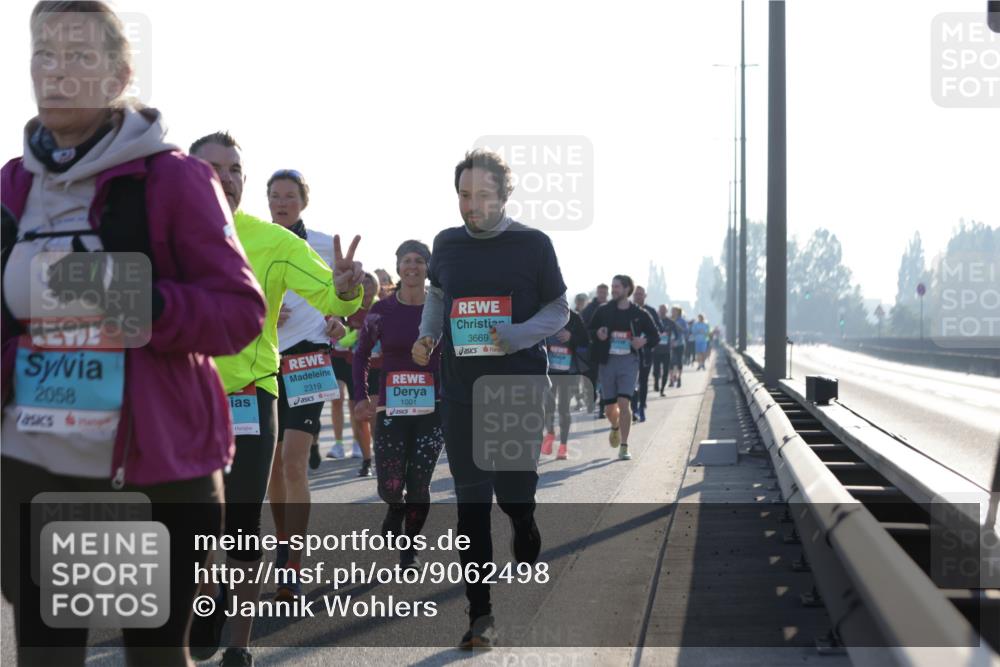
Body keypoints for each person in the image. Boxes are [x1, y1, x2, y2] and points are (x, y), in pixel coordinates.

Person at [1, 3, 267, 665]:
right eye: (44, 54)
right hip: (34, 466)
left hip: (156, 469)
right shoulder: (10, 186)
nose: (57, 73)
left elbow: (238, 312)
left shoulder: (175, 178)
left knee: (153, 654)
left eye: (80, 57)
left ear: (120, 73)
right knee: (46, 653)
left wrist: (125, 298)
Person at [188, 132, 364, 667]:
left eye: (235, 168)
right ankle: (205, 594)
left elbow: (331, 294)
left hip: (251, 396)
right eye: (212, 168)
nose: (227, 177)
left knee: (242, 518)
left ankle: (239, 644)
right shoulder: (161, 237)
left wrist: (349, 287)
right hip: (184, 400)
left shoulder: (275, 242)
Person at [413, 149, 568, 649]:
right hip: (461, 391)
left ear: (504, 195)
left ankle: (523, 521)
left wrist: (519, 334)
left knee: (513, 494)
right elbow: (438, 296)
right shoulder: (447, 243)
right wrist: (427, 336)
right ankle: (481, 616)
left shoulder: (533, 245)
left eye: (482, 195)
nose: (472, 205)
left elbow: (559, 309)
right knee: (470, 506)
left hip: (518, 386)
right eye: (463, 195)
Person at [264, 169, 351, 602]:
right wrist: (256, 309)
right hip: (261, 361)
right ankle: (284, 542)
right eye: (275, 196)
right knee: (273, 468)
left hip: (308, 357)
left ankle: (292, 561)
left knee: (295, 461)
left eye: (290, 196)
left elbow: (341, 296)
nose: (282, 203)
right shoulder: (252, 242)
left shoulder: (318, 243)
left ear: (303, 201)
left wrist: (340, 320)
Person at [354, 240, 444, 568]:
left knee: (419, 483)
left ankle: (409, 548)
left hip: (433, 408)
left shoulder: (441, 310)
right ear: (398, 266)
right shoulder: (382, 311)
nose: (413, 266)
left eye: (420, 261)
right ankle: (394, 506)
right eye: (407, 260)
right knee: (390, 485)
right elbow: (361, 354)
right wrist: (361, 396)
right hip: (391, 407)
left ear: (428, 268)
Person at [587, 275, 660, 461]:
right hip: (607, 362)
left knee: (624, 403)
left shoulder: (639, 313)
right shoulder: (603, 310)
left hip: (629, 362)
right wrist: (597, 333)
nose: (614, 290)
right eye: (612, 286)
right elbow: (588, 330)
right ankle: (615, 426)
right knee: (610, 408)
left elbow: (655, 335)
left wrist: (643, 340)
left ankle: (624, 445)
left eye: (617, 287)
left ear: (628, 289)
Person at [328, 272, 380, 476]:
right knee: (358, 416)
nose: (367, 286)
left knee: (374, 416)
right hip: (356, 367)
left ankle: (378, 457)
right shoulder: (351, 308)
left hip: (378, 367)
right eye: (363, 282)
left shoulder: (382, 307)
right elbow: (341, 339)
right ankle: (367, 460)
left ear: (376, 286)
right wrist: (356, 336)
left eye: (370, 282)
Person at [542, 307, 589, 459]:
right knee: (548, 407)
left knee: (563, 408)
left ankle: (563, 446)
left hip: (569, 371)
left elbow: (585, 340)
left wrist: (571, 336)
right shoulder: (544, 314)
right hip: (549, 370)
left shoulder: (574, 317)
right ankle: (550, 433)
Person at [629, 285, 661, 422]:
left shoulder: (650, 312)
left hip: (646, 353)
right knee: (631, 383)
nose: (638, 296)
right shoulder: (627, 310)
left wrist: (645, 339)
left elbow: (658, 330)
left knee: (642, 381)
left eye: (641, 294)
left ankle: (641, 407)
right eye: (636, 294)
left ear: (645, 296)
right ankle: (633, 408)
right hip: (629, 353)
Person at [580, 283, 609, 418]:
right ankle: (592, 398)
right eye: (600, 292)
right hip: (592, 350)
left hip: (608, 351)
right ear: (597, 293)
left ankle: (602, 407)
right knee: (591, 379)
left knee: (604, 380)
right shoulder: (589, 309)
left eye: (604, 292)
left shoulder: (611, 307)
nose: (602, 295)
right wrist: (595, 333)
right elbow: (583, 328)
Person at [653, 304, 672, 395]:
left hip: (666, 351)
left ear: (666, 311)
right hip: (656, 349)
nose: (662, 311)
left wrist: (675, 339)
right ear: (659, 310)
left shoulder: (670, 321)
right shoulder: (654, 320)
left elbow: (677, 333)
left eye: (664, 310)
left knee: (665, 371)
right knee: (656, 370)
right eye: (661, 309)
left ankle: (662, 389)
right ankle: (656, 382)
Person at [668, 307, 689, 388]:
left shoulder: (682, 321)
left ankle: (679, 378)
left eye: (674, 311)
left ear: (678, 312)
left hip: (680, 343)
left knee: (679, 361)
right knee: (671, 362)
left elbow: (686, 331)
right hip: (670, 344)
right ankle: (671, 379)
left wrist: (676, 325)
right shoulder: (669, 320)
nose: (672, 312)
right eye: (672, 310)